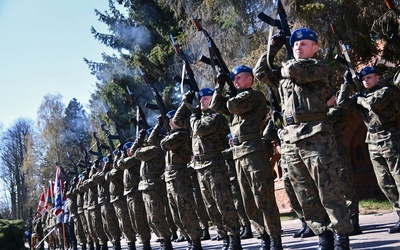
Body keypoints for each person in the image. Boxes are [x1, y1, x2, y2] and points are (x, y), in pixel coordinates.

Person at [254, 27, 353, 249]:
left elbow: (292, 70)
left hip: (316, 135)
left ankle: (341, 237)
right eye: (295, 44)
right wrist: (272, 48)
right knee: (304, 193)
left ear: (315, 48)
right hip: (290, 140)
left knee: (329, 190)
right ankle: (323, 235)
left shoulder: (317, 68)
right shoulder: (287, 72)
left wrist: (284, 57)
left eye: (304, 44)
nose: (298, 47)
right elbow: (260, 71)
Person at [210, 66, 283, 250]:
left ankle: (274, 238)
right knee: (248, 200)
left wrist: (229, 92)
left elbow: (232, 106)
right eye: (233, 79)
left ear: (250, 79)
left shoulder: (254, 96)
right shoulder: (238, 98)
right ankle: (263, 236)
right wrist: (219, 87)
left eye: (239, 78)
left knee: (262, 197)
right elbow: (215, 106)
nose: (235, 81)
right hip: (239, 154)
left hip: (254, 151)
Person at [174, 87, 242, 250]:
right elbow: (176, 121)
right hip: (200, 167)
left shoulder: (215, 116)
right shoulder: (197, 118)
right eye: (201, 99)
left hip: (215, 164)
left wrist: (194, 114)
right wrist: (186, 103)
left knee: (223, 202)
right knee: (210, 205)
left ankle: (234, 238)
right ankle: (223, 235)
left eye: (205, 98)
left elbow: (200, 129)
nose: (202, 101)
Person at [337, 65, 400, 234]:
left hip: (390, 137)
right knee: (384, 182)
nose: (366, 81)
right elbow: (341, 102)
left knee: (398, 176)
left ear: (377, 78)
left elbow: (374, 105)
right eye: (363, 79)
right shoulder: (362, 95)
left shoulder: (385, 91)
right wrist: (346, 83)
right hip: (372, 141)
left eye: (369, 77)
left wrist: (359, 99)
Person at [160, 109, 204, 250]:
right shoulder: (173, 135)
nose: (169, 122)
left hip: (180, 176)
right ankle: (189, 240)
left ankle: (195, 241)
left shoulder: (181, 135)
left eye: (172, 119)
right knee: (176, 213)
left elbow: (164, 144)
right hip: (171, 177)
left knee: (186, 210)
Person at [133, 123, 174, 250]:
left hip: (153, 186)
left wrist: (139, 139)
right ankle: (162, 240)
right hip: (147, 186)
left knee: (156, 216)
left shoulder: (155, 150)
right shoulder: (153, 150)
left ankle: (166, 242)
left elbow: (135, 152)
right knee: (152, 218)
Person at [117, 141, 152, 250]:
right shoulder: (128, 159)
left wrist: (121, 155)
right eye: (126, 151)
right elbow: (118, 165)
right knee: (133, 220)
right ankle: (141, 241)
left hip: (136, 192)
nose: (128, 152)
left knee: (139, 219)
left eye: (129, 150)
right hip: (129, 193)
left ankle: (146, 242)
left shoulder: (135, 159)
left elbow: (122, 164)